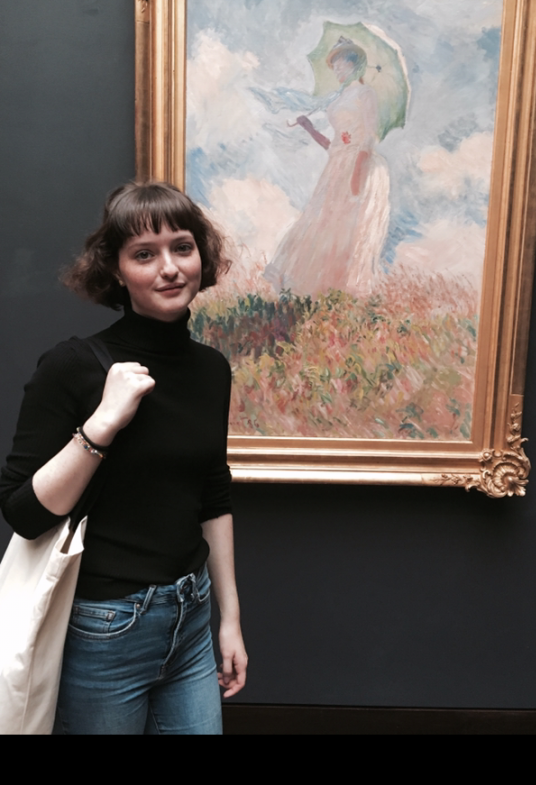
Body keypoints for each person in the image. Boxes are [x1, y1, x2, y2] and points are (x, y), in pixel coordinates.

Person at [0, 181, 247, 735]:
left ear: (201, 256)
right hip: (105, 627)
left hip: (191, 616)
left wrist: (229, 619)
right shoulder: (73, 366)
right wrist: (102, 425)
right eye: (144, 254)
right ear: (115, 270)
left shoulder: (211, 369)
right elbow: (22, 512)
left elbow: (213, 492)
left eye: (182, 247)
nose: (170, 268)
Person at [264, 38, 391, 299]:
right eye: (334, 65)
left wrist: (356, 176)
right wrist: (309, 128)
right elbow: (334, 146)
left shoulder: (365, 94)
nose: (337, 69)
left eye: (341, 62)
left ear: (354, 64)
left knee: (349, 230)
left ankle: (346, 293)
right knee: (325, 225)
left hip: (359, 167)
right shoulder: (340, 97)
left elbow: (368, 137)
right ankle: (319, 292)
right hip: (338, 166)